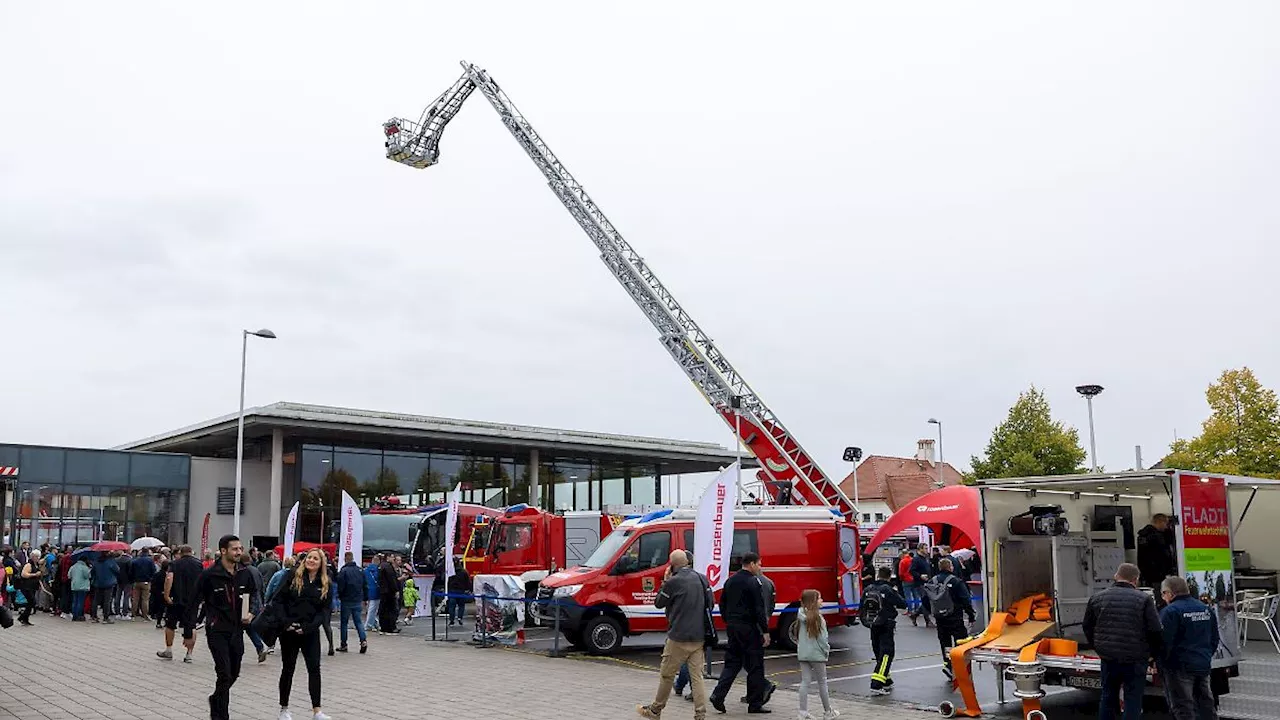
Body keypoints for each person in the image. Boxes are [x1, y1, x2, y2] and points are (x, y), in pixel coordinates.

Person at [189, 535, 260, 720]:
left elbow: (254, 596)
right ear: (223, 551)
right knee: (225, 674)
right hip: (217, 629)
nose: (239, 552)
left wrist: (252, 612)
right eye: (235, 549)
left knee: (234, 673)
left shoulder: (245, 573)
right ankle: (221, 715)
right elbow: (193, 601)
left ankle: (215, 699)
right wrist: (190, 631)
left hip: (237, 631)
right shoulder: (209, 575)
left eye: (240, 549)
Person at [636, 549, 713, 720]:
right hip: (699, 636)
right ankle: (700, 713)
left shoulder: (673, 582)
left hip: (678, 636)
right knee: (697, 677)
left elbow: (658, 603)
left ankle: (655, 710)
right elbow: (711, 603)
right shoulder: (702, 579)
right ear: (687, 562)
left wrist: (665, 581)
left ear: (672, 565)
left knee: (667, 674)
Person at [1083, 562, 1163, 720]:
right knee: (1132, 699)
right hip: (1135, 659)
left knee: (1107, 696)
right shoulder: (1144, 599)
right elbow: (1155, 630)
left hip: (1108, 658)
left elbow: (1087, 626)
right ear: (1136, 579)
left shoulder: (1097, 598)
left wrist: (1098, 648)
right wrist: (1152, 655)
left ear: (1116, 576)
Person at [271, 548, 332, 720]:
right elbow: (277, 600)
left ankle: (317, 710)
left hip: (310, 632)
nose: (312, 561)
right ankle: (284, 709)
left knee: (314, 669)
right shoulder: (292, 576)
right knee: (288, 669)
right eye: (309, 558)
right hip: (289, 631)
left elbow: (324, 611)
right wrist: (286, 623)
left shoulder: (325, 583)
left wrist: (309, 627)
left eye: (316, 559)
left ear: (321, 563)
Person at [709, 552, 771, 714]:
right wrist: (765, 631)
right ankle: (755, 703)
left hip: (733, 627)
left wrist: (729, 621)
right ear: (751, 564)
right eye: (759, 564)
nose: (760, 567)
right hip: (749, 628)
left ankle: (718, 695)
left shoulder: (730, 581)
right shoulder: (753, 582)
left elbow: (722, 604)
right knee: (756, 665)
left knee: (732, 663)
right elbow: (759, 609)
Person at [1159, 576, 1218, 720]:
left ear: (1169, 593)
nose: (1163, 598)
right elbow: (1214, 638)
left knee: (1183, 707)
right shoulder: (1204, 608)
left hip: (1179, 667)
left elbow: (1164, 642)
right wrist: (1205, 655)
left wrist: (1161, 662)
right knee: (1206, 705)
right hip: (1202, 664)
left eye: (1163, 594)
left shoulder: (1170, 612)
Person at [924, 558, 975, 680]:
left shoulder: (933, 581)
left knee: (945, 642)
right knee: (960, 641)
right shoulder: (956, 581)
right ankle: (959, 666)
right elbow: (965, 599)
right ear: (950, 567)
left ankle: (948, 663)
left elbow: (925, 599)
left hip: (940, 618)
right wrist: (971, 615)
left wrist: (933, 612)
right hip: (955, 616)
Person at [865, 566, 907, 696]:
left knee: (878, 651)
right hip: (886, 623)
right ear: (889, 576)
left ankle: (886, 680)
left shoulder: (869, 588)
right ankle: (876, 683)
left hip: (873, 623)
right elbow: (902, 603)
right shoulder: (888, 589)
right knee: (887, 653)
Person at [797, 589, 839, 720]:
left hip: (803, 653)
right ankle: (827, 711)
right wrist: (826, 650)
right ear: (813, 602)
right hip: (817, 654)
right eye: (820, 598)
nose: (822, 601)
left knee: (805, 682)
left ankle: (802, 712)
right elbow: (822, 639)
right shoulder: (819, 619)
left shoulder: (800, 614)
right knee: (822, 682)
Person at [159, 545, 205, 663]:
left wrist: (167, 595)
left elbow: (169, 578)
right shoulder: (199, 564)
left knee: (170, 624)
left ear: (180, 552)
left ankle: (169, 650)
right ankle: (189, 654)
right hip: (193, 600)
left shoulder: (175, 564)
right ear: (191, 552)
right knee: (191, 625)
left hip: (176, 599)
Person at [335, 551, 368, 654]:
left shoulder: (343, 571)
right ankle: (363, 641)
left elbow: (341, 586)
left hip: (346, 600)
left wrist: (340, 596)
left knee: (344, 623)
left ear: (345, 559)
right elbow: (365, 585)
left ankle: (344, 644)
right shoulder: (360, 570)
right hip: (357, 599)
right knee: (358, 622)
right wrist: (365, 598)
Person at [240, 555, 269, 662]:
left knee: (244, 628)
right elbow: (262, 587)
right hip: (257, 603)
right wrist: (262, 603)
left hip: (246, 603)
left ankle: (259, 646)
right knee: (250, 627)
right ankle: (260, 646)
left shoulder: (242, 572)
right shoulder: (256, 570)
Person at [1137, 514, 1176, 592]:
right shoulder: (1156, 537)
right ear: (1160, 522)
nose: (1166, 527)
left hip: (1146, 574)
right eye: (1166, 523)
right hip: (1159, 574)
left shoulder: (1143, 536)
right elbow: (1164, 555)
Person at [91, 550, 120, 623]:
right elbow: (117, 570)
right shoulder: (110, 561)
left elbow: (92, 572)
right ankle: (105, 617)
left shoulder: (96, 561)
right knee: (107, 601)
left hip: (98, 583)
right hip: (109, 583)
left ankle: (94, 616)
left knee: (96, 600)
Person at [16, 550, 44, 626]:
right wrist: (35, 574)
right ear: (32, 556)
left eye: (38, 557)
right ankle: (23, 617)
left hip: (32, 586)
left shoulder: (36, 565)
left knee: (31, 602)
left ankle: (24, 618)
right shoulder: (28, 564)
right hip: (26, 586)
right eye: (36, 556)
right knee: (32, 602)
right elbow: (24, 574)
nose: (38, 558)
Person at [908, 546, 933, 627]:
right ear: (920, 549)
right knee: (925, 599)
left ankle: (915, 614)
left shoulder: (925, 559)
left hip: (927, 582)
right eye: (925, 548)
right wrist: (920, 576)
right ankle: (927, 620)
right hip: (920, 583)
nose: (927, 550)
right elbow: (911, 570)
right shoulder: (916, 559)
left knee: (927, 600)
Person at [377, 553, 402, 634]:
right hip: (389, 592)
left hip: (383, 591)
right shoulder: (388, 567)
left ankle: (383, 627)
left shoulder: (381, 566)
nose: (393, 559)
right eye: (392, 557)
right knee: (391, 610)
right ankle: (391, 627)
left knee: (383, 610)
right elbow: (392, 580)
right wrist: (396, 590)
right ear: (387, 558)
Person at [131, 549, 157, 621]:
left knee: (135, 599)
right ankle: (145, 615)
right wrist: (150, 579)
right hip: (146, 582)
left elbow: (131, 571)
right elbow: (154, 571)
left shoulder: (135, 561)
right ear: (147, 552)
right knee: (145, 600)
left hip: (136, 582)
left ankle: (133, 615)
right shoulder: (150, 561)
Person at [445, 558, 470, 626]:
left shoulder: (450, 572)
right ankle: (460, 617)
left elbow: (447, 581)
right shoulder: (464, 571)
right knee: (461, 605)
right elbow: (467, 582)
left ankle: (451, 620)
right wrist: (467, 589)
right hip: (461, 591)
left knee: (451, 606)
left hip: (452, 591)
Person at [69, 555, 92, 622]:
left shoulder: (73, 566)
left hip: (74, 586)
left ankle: (74, 615)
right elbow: (88, 576)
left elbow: (69, 575)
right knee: (80, 601)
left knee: (75, 601)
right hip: (82, 586)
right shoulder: (84, 567)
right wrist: (90, 569)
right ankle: (79, 615)